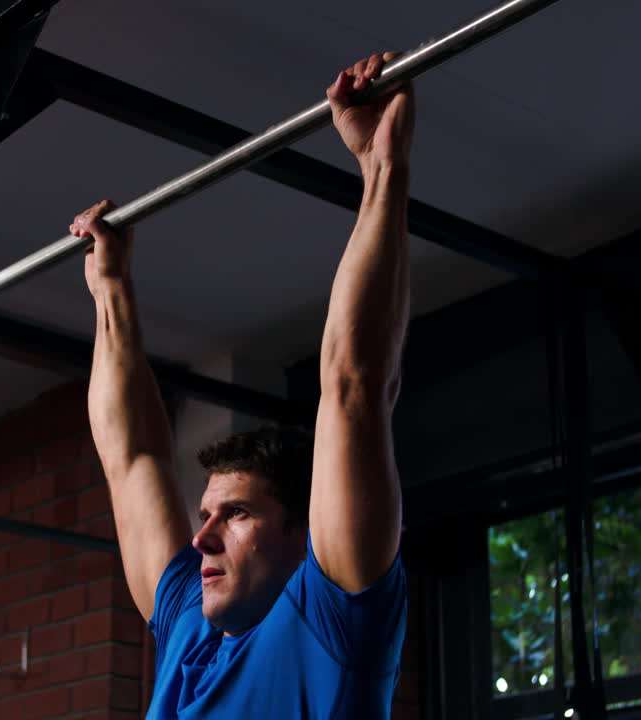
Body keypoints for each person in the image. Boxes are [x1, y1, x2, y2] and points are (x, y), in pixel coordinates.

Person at [71, 51, 413, 718]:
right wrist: (110, 289)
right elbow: (131, 459)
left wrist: (382, 167)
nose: (202, 537)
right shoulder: (189, 626)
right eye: (209, 514)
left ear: (306, 532)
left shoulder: (331, 625)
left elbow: (355, 385)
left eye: (238, 514)